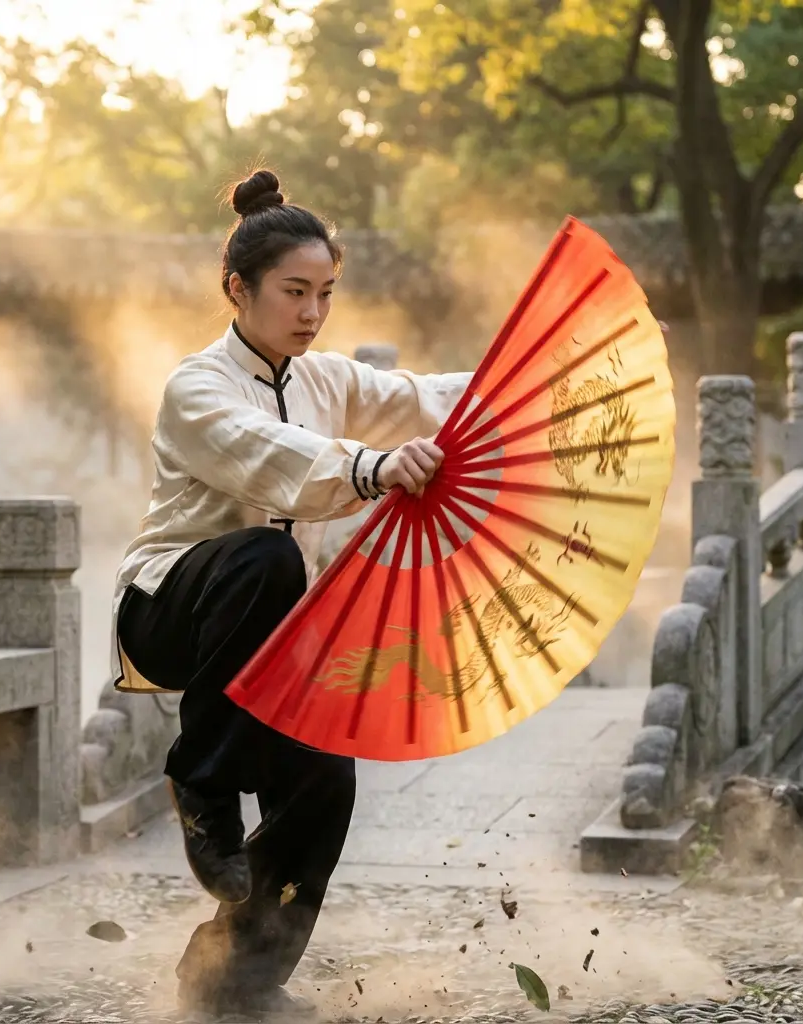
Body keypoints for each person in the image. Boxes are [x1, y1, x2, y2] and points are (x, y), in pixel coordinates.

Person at [110, 169, 472, 1020]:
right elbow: (268, 457)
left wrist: (539, 391)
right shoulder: (196, 387)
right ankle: (201, 784)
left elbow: (427, 399)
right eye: (294, 292)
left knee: (324, 782)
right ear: (238, 289)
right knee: (268, 557)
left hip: (275, 638)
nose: (312, 313)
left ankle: (232, 981)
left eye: (327, 294)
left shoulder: (328, 379)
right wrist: (374, 468)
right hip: (173, 611)